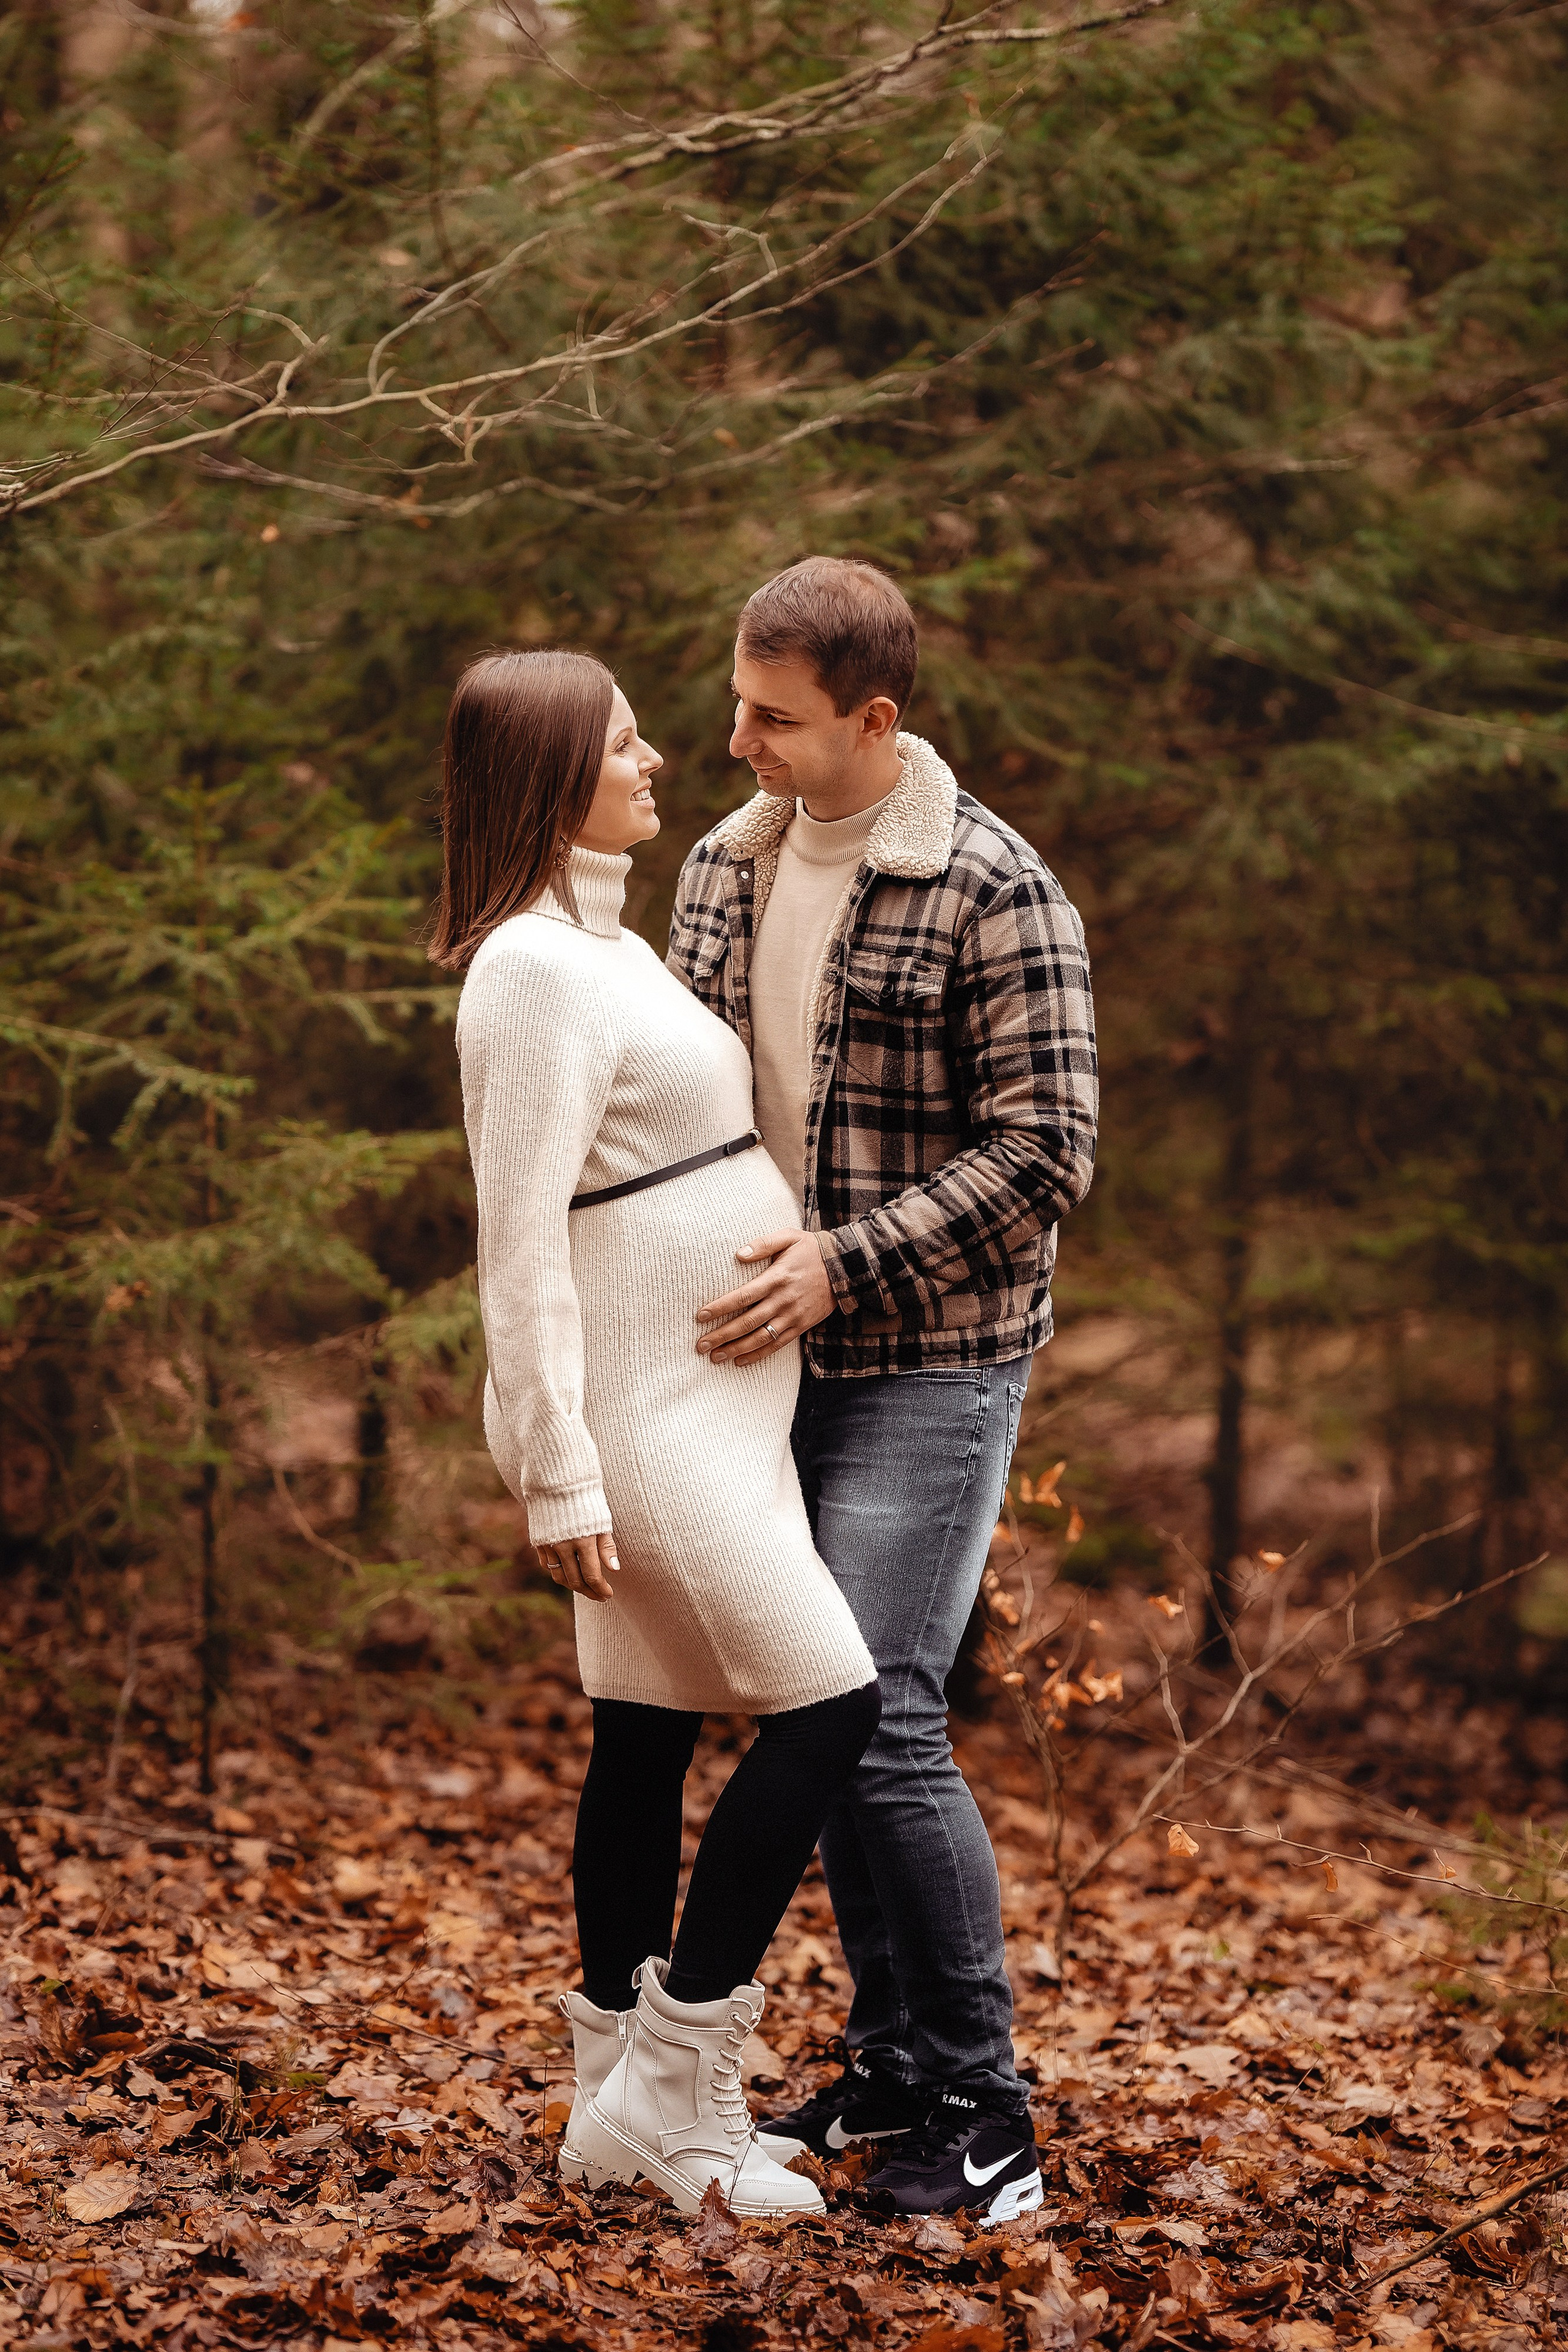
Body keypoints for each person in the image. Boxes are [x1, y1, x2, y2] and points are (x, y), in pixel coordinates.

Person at [667, 559, 1098, 2220]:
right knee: (819, 1707)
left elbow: (1047, 1152)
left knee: (885, 1713)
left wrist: (844, 1262)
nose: (738, 743)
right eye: (735, 704)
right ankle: (896, 2062)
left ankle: (988, 2115)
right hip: (765, 1360)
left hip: (934, 1357)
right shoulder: (724, 867)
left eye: (773, 718)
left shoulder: (996, 887)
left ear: (873, 718)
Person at [432, 648, 881, 2218]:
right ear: (552, 773)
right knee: (828, 1705)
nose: (657, 763)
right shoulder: (528, 971)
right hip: (642, 1416)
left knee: (643, 1734)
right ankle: (679, 2093)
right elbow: (516, 1241)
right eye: (624, 744)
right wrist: (554, 1464)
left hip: (707, 1406)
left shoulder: (601, 946)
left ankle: (616, 2101)